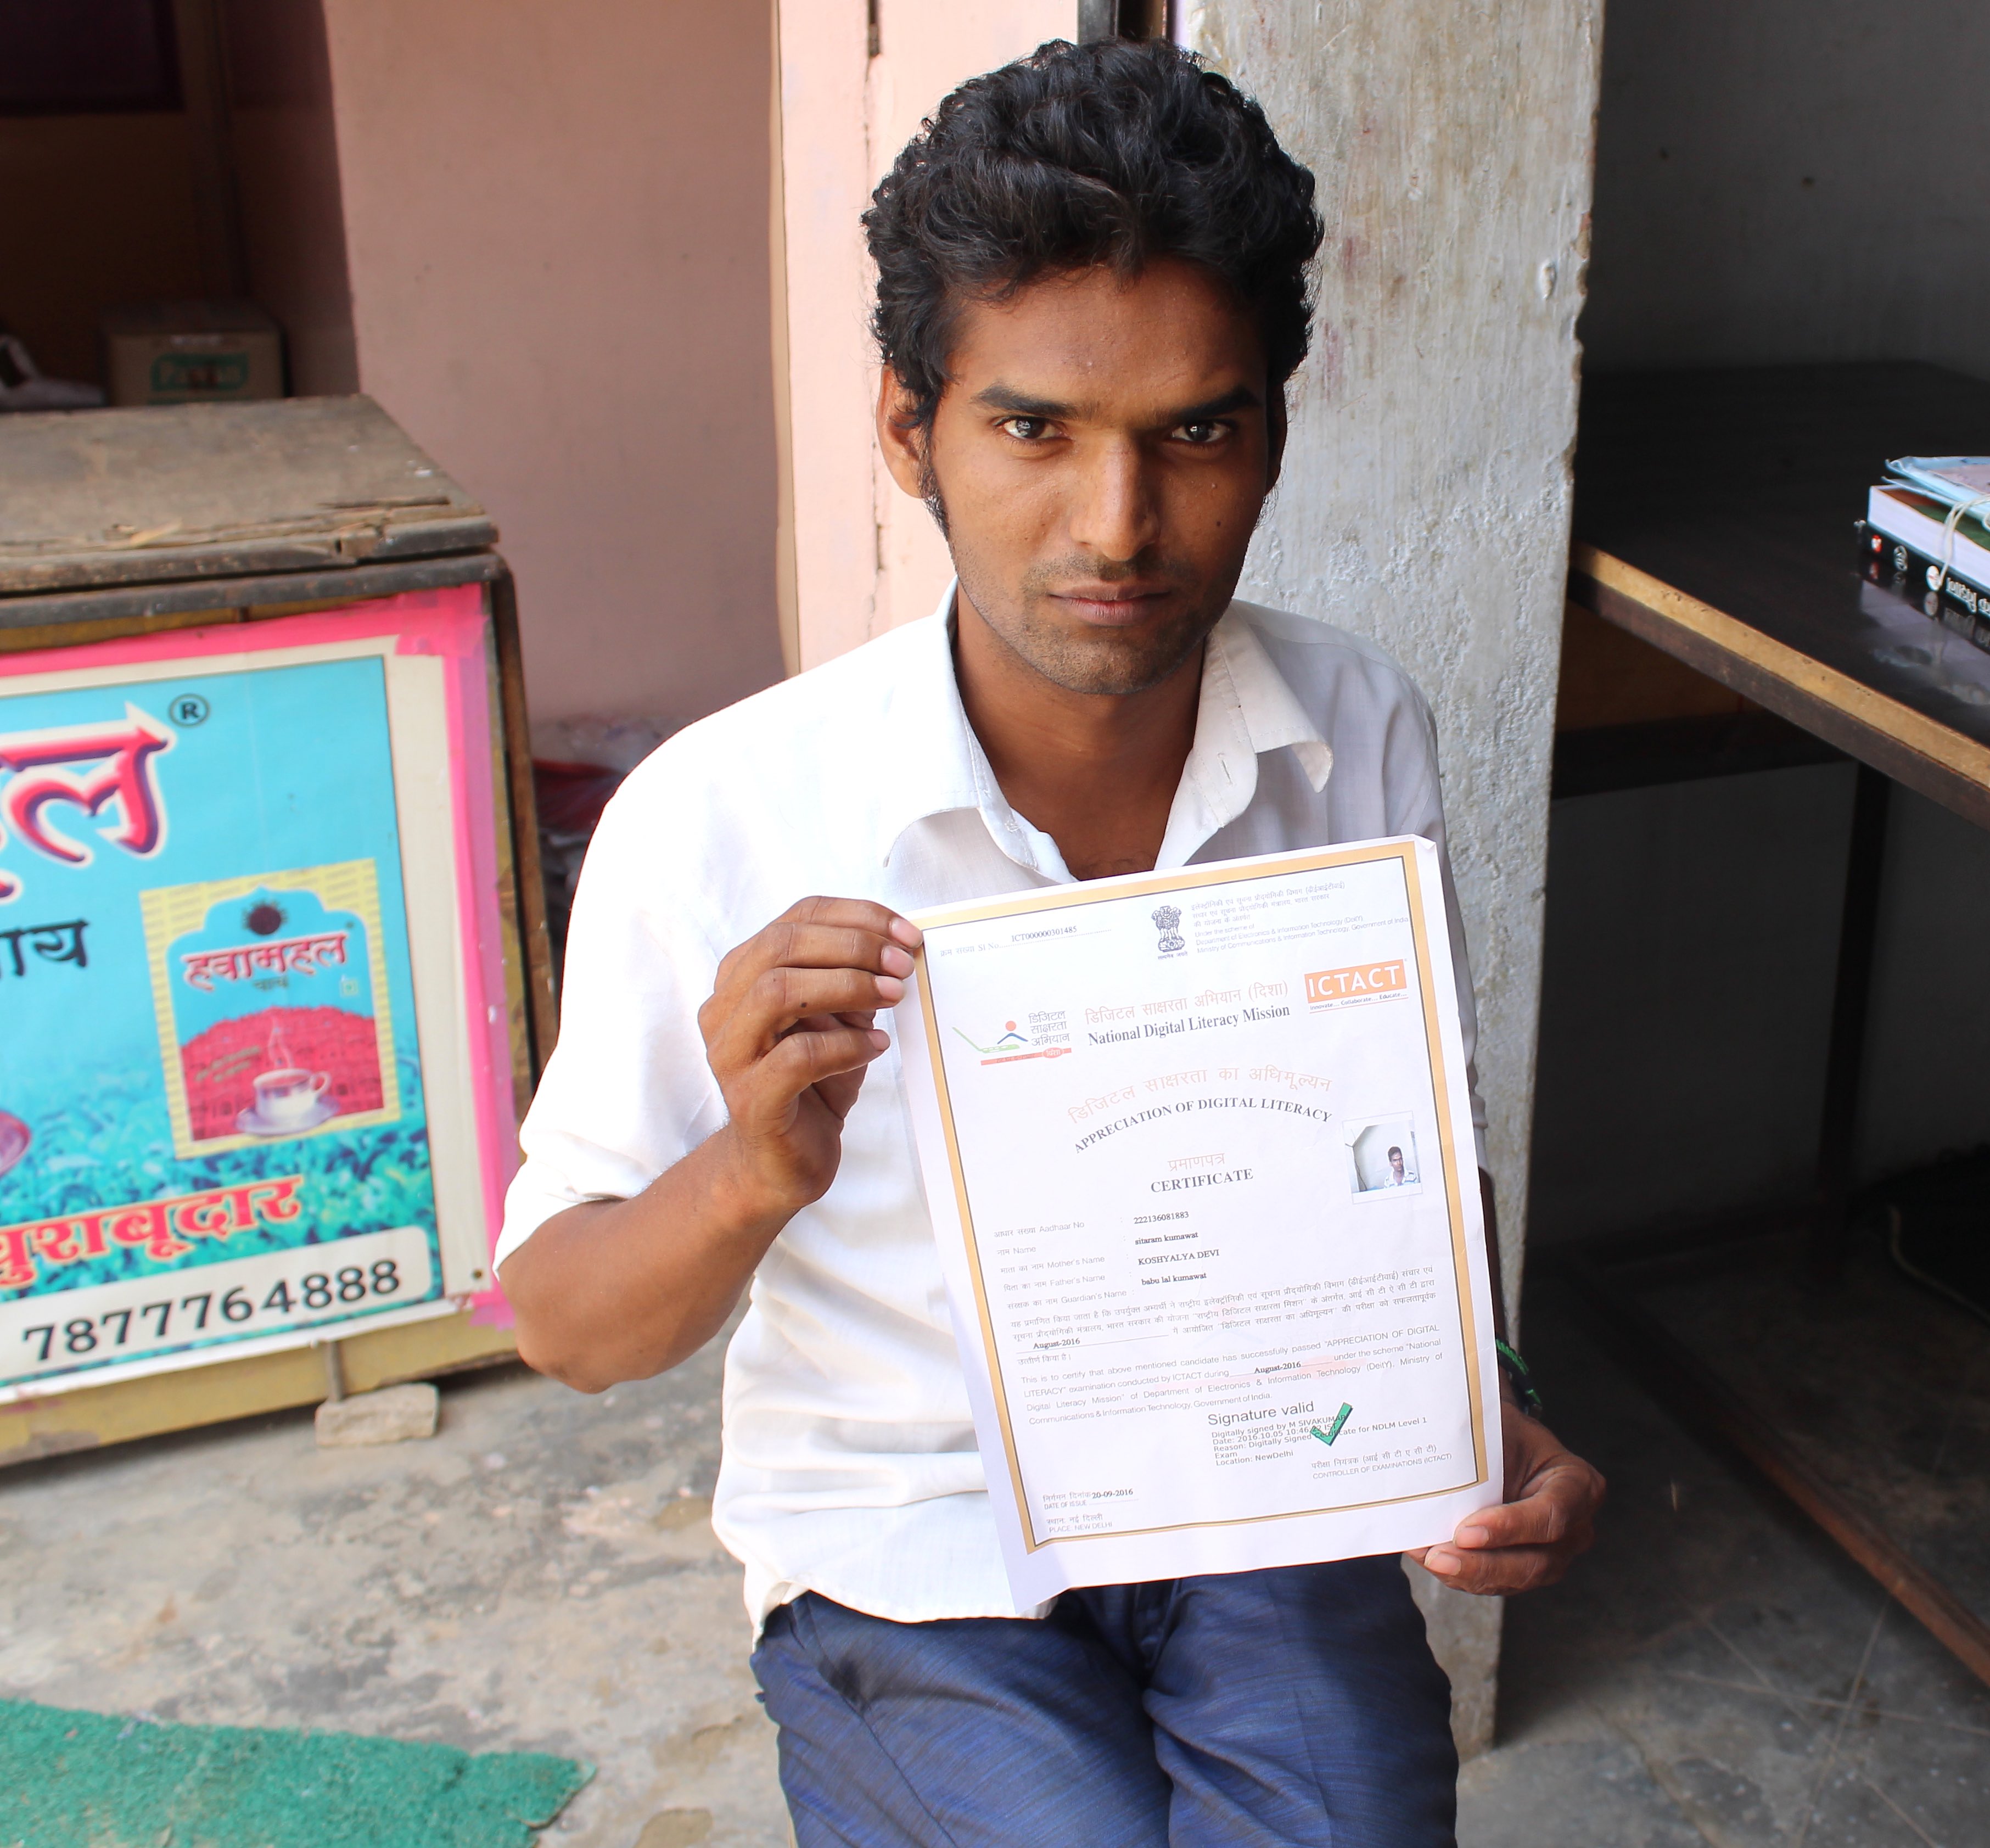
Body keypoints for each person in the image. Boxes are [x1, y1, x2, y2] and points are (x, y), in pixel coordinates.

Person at [498, 38, 1604, 1847]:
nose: (1117, 528)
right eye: (1032, 429)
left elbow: (1399, 1177)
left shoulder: (1354, 726)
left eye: (1194, 432)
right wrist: (749, 1175)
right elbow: (558, 1326)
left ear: (1268, 432)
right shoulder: (725, 812)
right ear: (904, 427)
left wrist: (1484, 1411)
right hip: (907, 1542)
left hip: (1255, 1502)